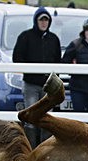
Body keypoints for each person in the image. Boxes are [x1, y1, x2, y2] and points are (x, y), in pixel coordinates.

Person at [13, 7, 61, 148]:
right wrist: (30, 71)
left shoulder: (54, 39)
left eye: (46, 20)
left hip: (48, 86)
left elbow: (58, 60)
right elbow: (17, 57)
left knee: (47, 119)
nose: (44, 23)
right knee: (31, 118)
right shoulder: (25, 37)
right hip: (31, 84)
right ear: (36, 21)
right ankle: (30, 149)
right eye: (41, 20)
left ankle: (44, 150)